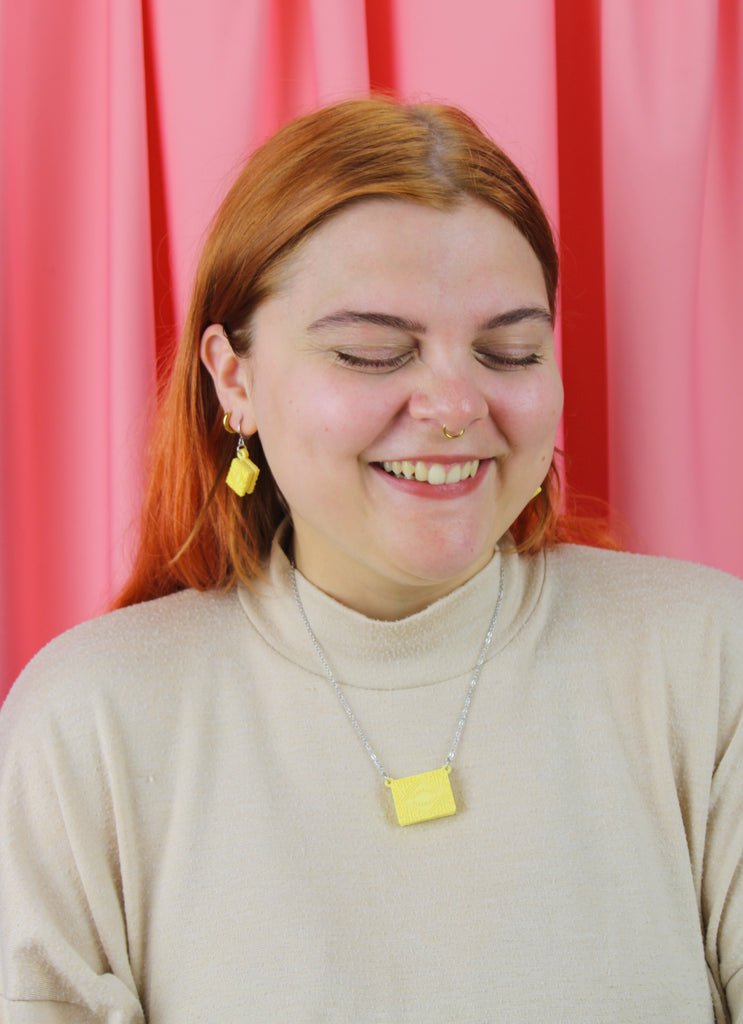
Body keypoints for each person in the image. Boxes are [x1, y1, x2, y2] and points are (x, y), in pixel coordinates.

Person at [1, 97, 741, 1024]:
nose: (454, 404)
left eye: (507, 352)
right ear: (234, 379)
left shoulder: (708, 662)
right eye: (371, 353)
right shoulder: (89, 722)